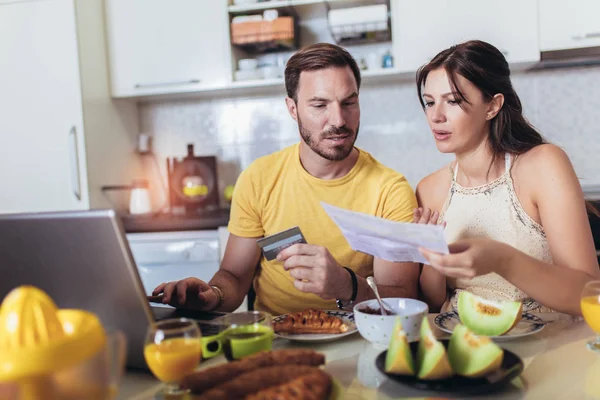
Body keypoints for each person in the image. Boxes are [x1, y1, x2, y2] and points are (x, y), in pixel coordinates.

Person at [152, 43, 420, 315]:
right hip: (274, 339)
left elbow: (402, 298)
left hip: (358, 338)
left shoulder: (390, 190)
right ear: (292, 109)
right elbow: (234, 276)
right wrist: (212, 296)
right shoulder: (259, 179)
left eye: (349, 102)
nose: (338, 119)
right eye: (319, 105)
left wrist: (345, 285)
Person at [413, 40, 600, 316]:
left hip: (548, 347)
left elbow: (589, 292)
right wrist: (432, 259)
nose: (435, 116)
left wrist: (502, 259)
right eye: (429, 102)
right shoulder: (430, 189)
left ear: (493, 106)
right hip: (464, 345)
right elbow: (431, 303)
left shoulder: (543, 165)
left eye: (452, 101)